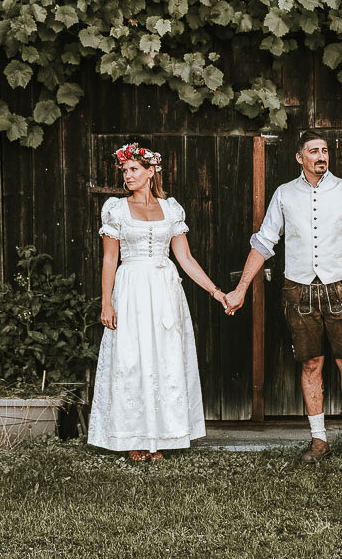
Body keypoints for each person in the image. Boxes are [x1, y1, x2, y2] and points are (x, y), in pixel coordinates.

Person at [225, 130, 342, 463]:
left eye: (324, 151)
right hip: (298, 291)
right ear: (300, 158)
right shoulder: (284, 195)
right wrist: (240, 290)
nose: (321, 156)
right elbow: (263, 244)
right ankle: (319, 440)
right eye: (314, 151)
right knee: (311, 364)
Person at [87, 142, 226, 461]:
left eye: (134, 169)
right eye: (125, 171)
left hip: (164, 290)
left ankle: (160, 438)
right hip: (132, 287)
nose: (128, 176)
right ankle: (133, 439)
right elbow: (110, 260)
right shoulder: (116, 209)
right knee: (132, 360)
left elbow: (186, 258)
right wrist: (106, 303)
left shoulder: (172, 209)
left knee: (164, 359)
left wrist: (215, 291)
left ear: (151, 172)